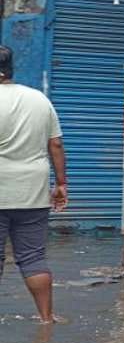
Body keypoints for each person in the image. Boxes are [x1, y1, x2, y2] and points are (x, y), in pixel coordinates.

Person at [0, 44, 68, 324]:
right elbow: (56, 144)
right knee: (33, 258)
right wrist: (61, 184)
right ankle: (46, 318)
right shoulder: (40, 99)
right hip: (33, 192)